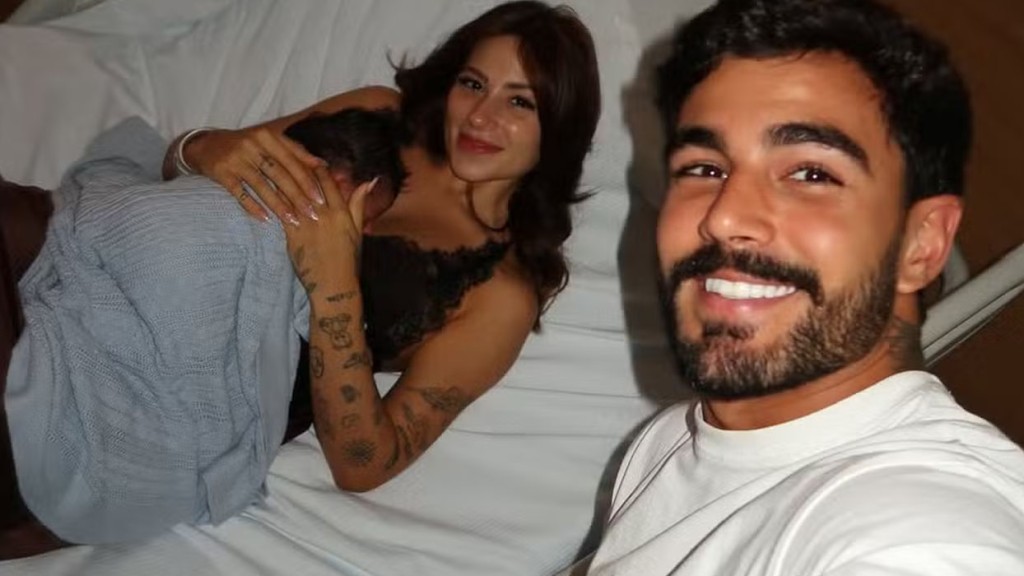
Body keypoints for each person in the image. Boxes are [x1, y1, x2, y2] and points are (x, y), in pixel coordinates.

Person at [572, 0, 1024, 574]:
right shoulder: (673, 440)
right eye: (705, 168)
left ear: (921, 244)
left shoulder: (923, 527)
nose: (723, 217)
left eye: (811, 173)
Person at [164, 0, 600, 494]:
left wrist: (334, 286)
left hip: (193, 406)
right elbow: (180, 169)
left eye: (520, 102)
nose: (481, 116)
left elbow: (363, 465)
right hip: (154, 269)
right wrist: (203, 147)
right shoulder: (375, 114)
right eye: (473, 84)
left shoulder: (500, 295)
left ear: (559, 127)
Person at [0, 106, 408, 553]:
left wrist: (334, 284)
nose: (365, 231)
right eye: (367, 214)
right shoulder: (230, 201)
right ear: (336, 184)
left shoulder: (318, 284)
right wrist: (198, 147)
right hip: (54, 282)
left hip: (74, 380)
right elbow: (140, 220)